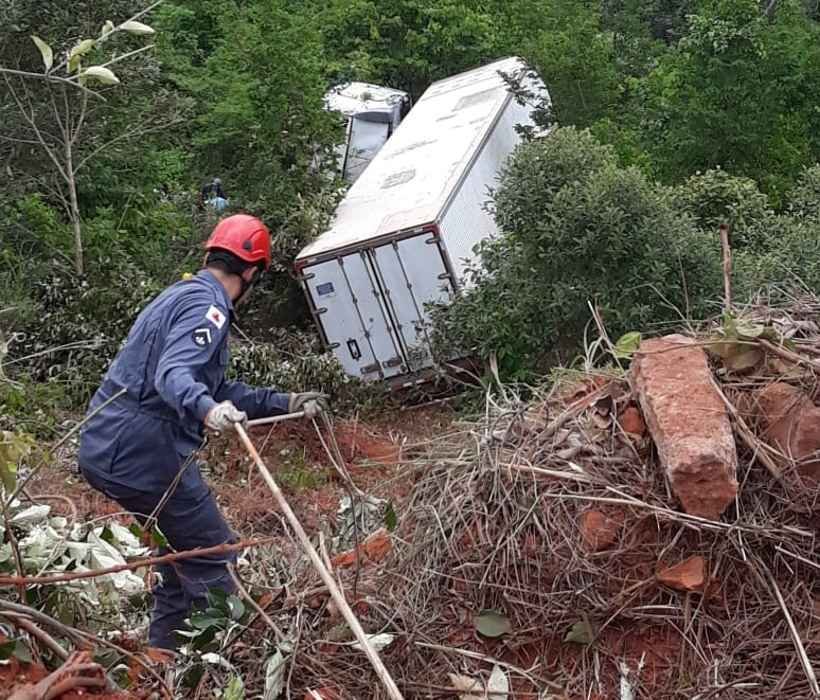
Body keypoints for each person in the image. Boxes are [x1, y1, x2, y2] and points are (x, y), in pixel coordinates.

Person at [78, 214, 326, 650]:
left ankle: (162, 657)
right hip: (144, 454)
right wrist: (208, 410)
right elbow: (174, 374)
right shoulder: (207, 308)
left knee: (180, 554)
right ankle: (222, 667)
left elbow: (209, 383)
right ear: (252, 272)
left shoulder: (177, 297)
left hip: (107, 445)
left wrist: (282, 402)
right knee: (215, 558)